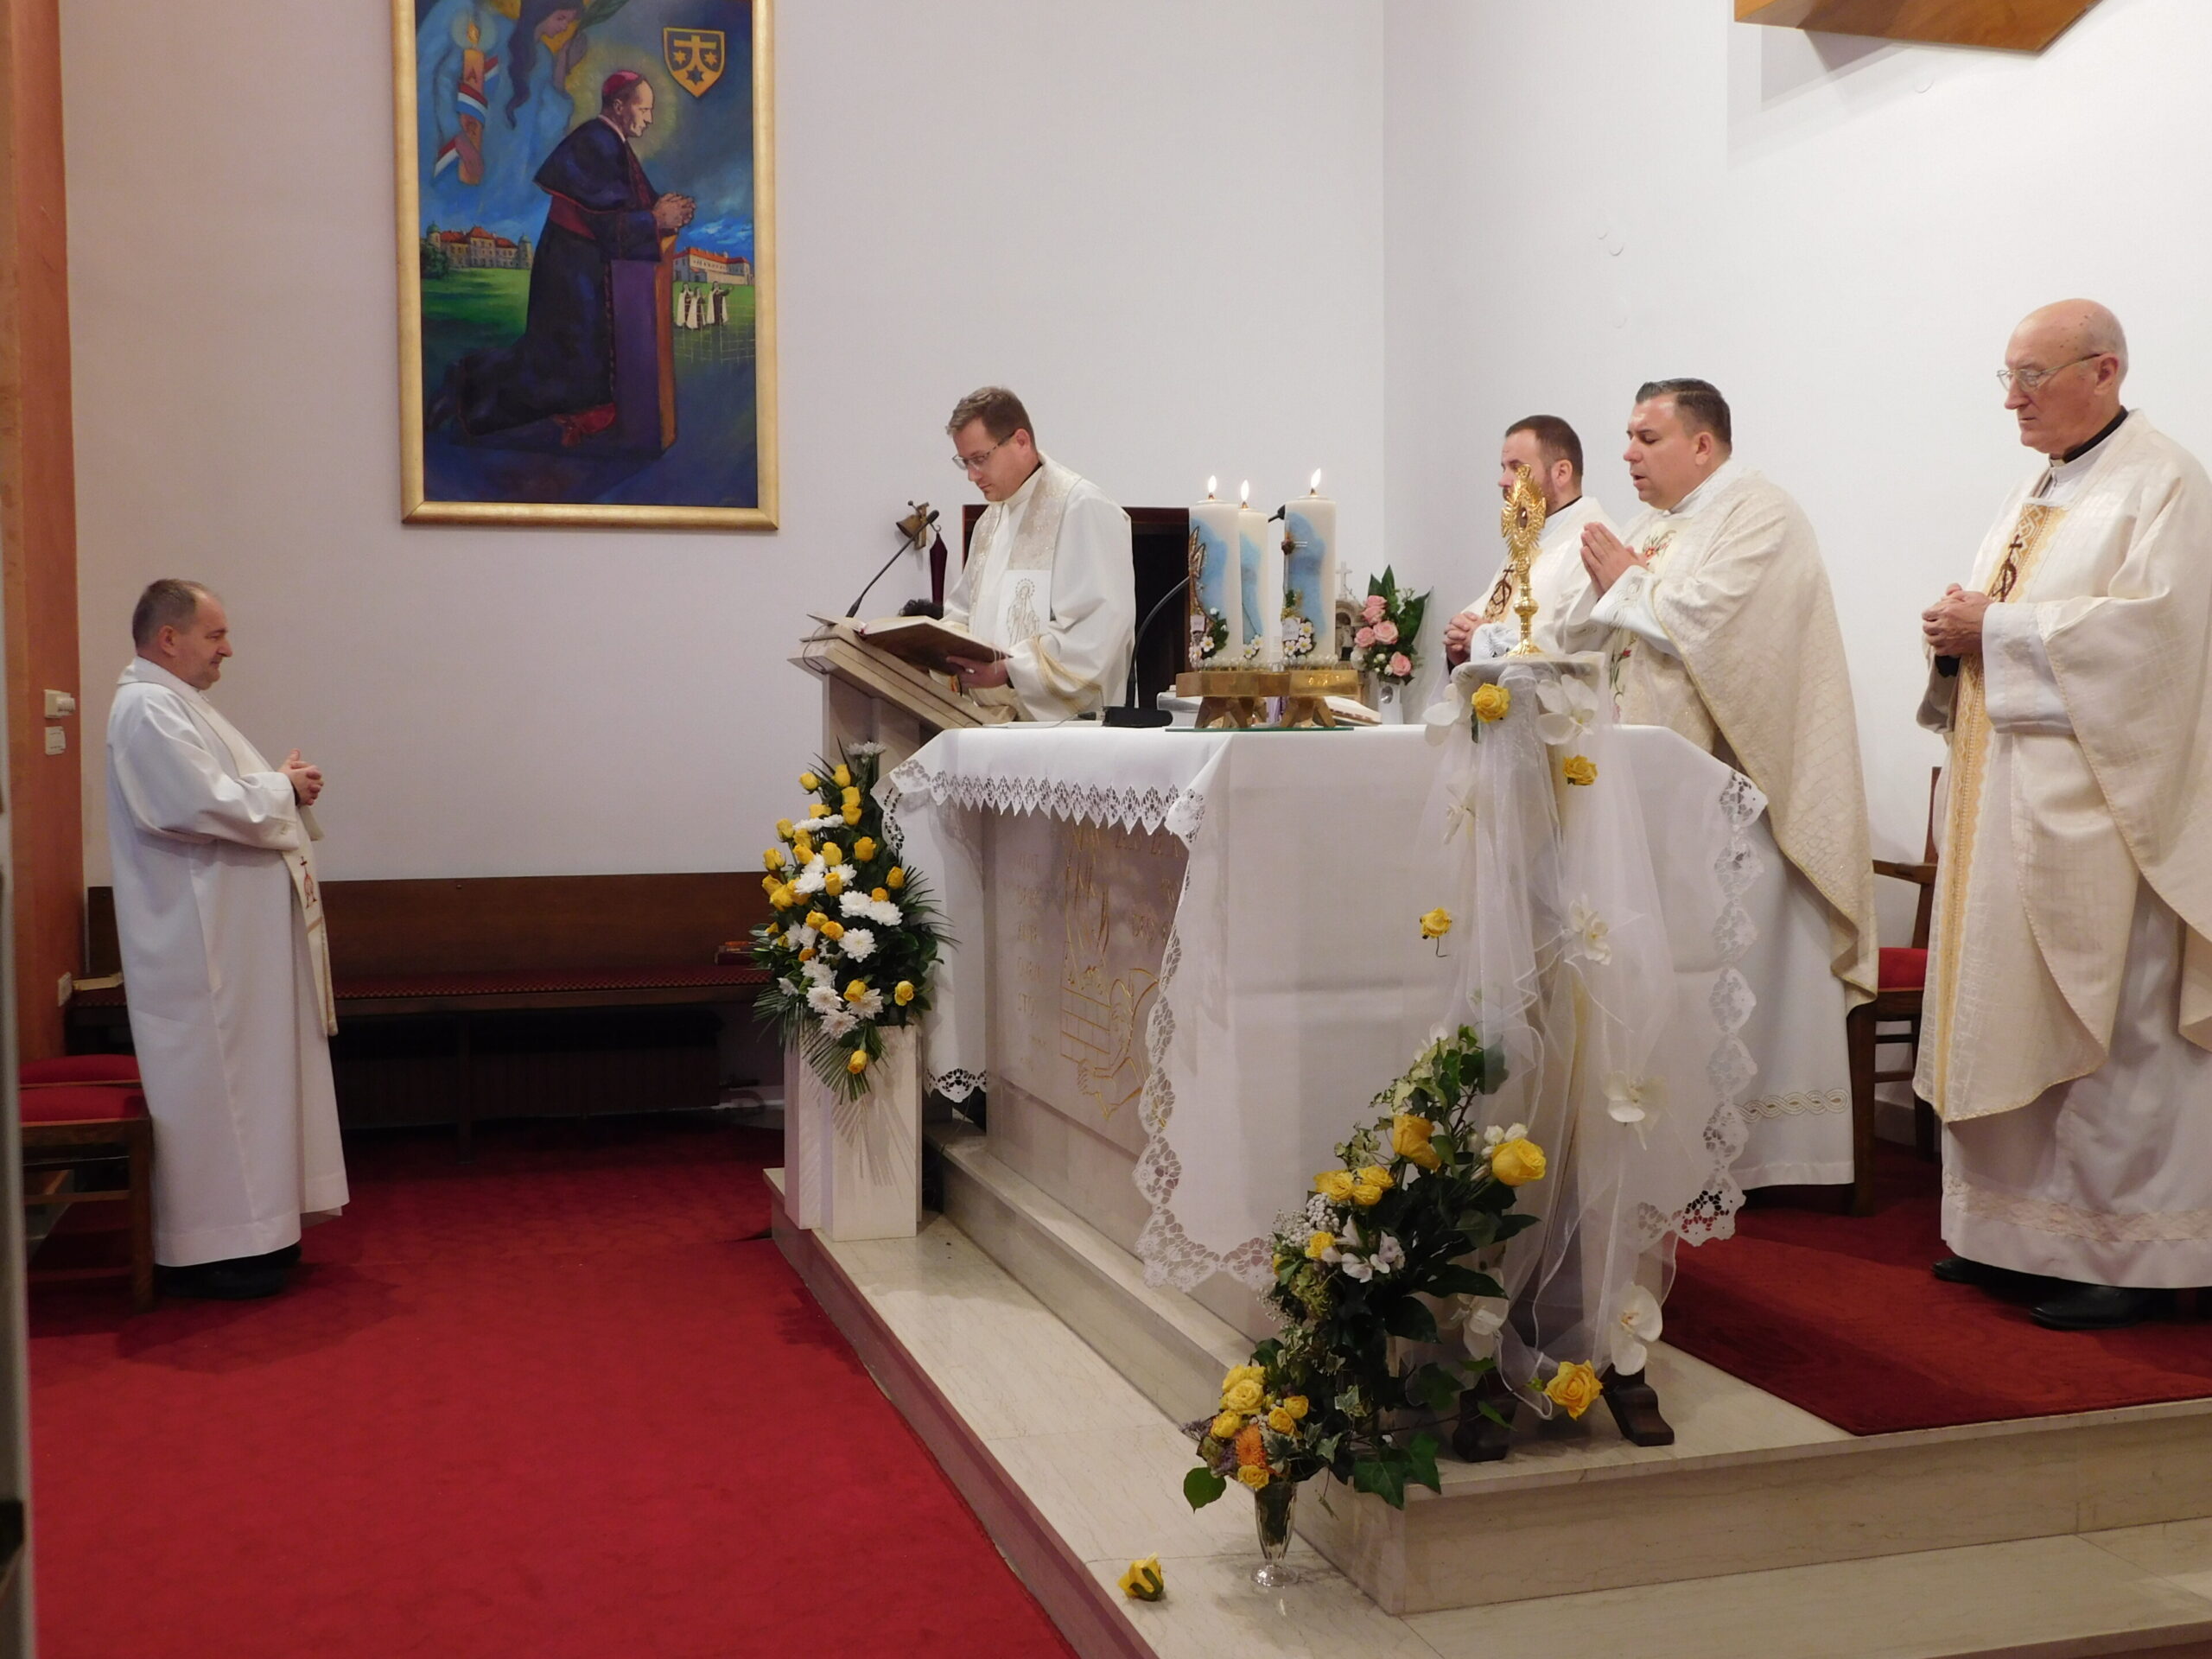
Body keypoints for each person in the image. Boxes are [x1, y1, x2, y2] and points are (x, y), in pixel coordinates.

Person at [1918, 301, 2212, 1331]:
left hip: (2111, 822)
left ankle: (2128, 1255)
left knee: (2115, 1027)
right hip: (2007, 807)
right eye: (2006, 377)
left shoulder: (2164, 483)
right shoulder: (2037, 488)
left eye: (2031, 377)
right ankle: (2012, 1237)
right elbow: (2008, 622)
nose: (2013, 399)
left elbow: (2157, 646)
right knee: (2011, 1008)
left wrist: (1995, 629)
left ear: (2104, 370)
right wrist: (1955, 636)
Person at [1580, 380, 1878, 1187]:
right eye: (1629, 437)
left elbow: (1720, 627)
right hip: (1650, 785)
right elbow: (1602, 627)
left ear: (1703, 445)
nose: (1628, 455)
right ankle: (1663, 1140)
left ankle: (1752, 1151)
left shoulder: (1760, 513)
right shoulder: (1651, 526)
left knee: (1727, 972)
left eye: (1647, 438)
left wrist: (1627, 585)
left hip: (1741, 801)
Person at [105, 581, 346, 1299]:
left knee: (248, 1089)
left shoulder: (178, 704)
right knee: (219, 1095)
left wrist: (278, 785)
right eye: (215, 635)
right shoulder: (147, 707)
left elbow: (218, 792)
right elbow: (192, 803)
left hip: (230, 943)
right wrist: (284, 789)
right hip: (199, 946)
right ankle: (216, 1250)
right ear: (168, 638)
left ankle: (258, 1234)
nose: (228, 649)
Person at [429, 70, 695, 443]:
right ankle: (465, 385)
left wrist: (665, 212)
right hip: (571, 273)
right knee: (553, 368)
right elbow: (605, 225)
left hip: (585, 268)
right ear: (620, 106)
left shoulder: (612, 142)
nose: (650, 119)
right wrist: (655, 220)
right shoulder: (593, 142)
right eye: (645, 109)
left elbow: (628, 205)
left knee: (570, 367)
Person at [941, 387, 1136, 721]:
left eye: (980, 458)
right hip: (988, 725)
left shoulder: (1082, 507)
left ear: (1021, 441)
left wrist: (1012, 670)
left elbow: (1099, 629)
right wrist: (934, 647)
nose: (972, 475)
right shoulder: (990, 520)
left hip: (1065, 733)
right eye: (965, 463)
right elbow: (963, 613)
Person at [1443, 416, 1618, 663]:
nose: (1503, 481)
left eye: (1516, 468)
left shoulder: (1594, 543)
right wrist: (1460, 647)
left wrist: (1483, 640)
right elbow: (1489, 620)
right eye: (1503, 468)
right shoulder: (1532, 539)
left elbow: (1574, 644)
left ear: (1561, 472)